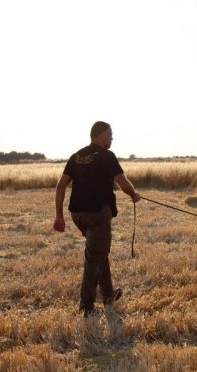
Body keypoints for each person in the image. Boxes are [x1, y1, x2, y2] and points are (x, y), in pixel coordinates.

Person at [53, 121, 141, 317]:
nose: (112, 138)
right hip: (97, 215)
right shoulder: (107, 156)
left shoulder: (77, 156)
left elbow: (60, 187)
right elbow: (123, 183)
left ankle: (108, 295)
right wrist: (134, 194)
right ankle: (86, 307)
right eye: (110, 134)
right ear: (101, 135)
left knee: (99, 252)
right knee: (93, 258)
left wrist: (59, 215)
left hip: (78, 215)